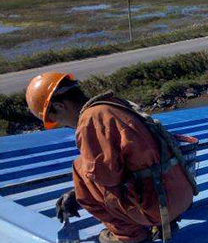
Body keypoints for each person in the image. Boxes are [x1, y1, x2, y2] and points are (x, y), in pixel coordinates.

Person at [25, 72, 196, 243]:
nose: (63, 125)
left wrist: (79, 195)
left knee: (81, 170)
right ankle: (162, 222)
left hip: (159, 207)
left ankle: (130, 235)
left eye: (57, 120)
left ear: (60, 106)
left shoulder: (91, 120)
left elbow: (106, 178)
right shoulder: (115, 104)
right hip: (180, 197)